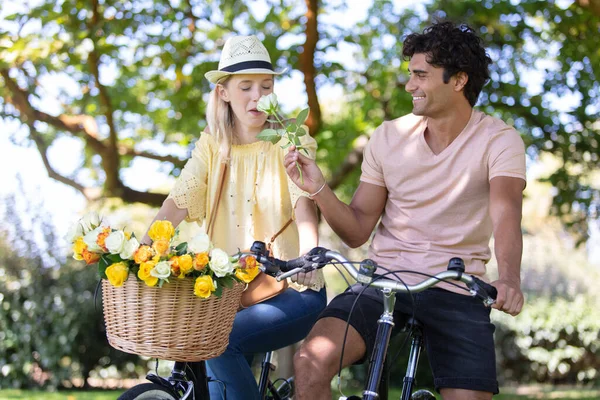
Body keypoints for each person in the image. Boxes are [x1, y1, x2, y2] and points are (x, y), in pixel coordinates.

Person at [284, 21, 526, 400]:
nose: (410, 85)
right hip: (383, 279)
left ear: (459, 80)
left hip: (456, 287)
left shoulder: (500, 140)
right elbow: (357, 229)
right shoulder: (388, 137)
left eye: (420, 75)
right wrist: (318, 188)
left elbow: (507, 213)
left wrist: (509, 278)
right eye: (410, 74)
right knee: (310, 362)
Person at [141, 35, 327, 400]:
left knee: (218, 342)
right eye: (246, 87)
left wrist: (311, 254)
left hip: (290, 287)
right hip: (230, 295)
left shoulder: (290, 138)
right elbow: (176, 203)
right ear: (223, 92)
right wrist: (142, 251)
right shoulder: (213, 145)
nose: (257, 96)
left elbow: (304, 199)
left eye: (266, 86)